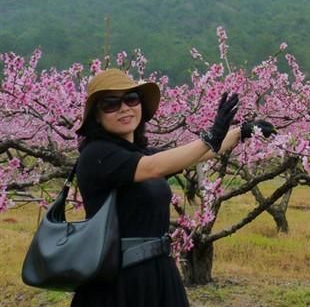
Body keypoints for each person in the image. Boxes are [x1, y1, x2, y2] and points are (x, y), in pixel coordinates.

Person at [70, 68, 273, 307]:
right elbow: (153, 167)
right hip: (120, 281)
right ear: (96, 116)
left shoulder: (139, 153)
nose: (124, 108)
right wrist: (211, 135)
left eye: (131, 99)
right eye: (110, 104)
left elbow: (198, 155)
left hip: (157, 271)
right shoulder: (97, 155)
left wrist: (242, 131)